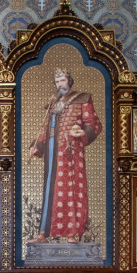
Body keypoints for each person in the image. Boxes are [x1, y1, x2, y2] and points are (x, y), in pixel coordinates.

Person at [28, 68, 102, 243]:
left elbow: (94, 123)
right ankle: (43, 233)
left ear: (69, 80)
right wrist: (36, 146)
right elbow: (45, 129)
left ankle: (71, 234)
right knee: (49, 189)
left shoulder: (82, 99)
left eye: (62, 80)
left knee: (70, 189)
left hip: (70, 152)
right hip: (52, 150)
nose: (60, 84)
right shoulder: (53, 103)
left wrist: (82, 132)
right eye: (57, 82)